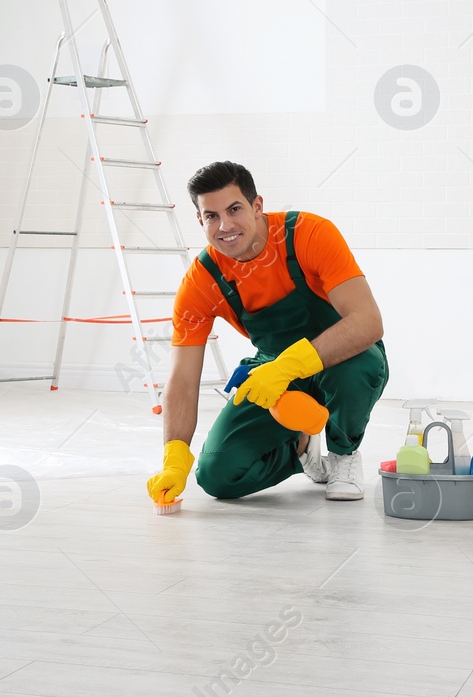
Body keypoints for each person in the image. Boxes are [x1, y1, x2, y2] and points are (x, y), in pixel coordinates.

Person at [146, 161, 388, 504]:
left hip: (340, 360)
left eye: (234, 209)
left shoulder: (308, 233)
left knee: (357, 368)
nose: (225, 225)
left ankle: (343, 456)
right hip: (273, 373)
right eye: (211, 216)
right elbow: (182, 379)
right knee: (218, 476)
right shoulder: (201, 282)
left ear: (257, 206)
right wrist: (174, 456)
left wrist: (286, 367)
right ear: (200, 221)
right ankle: (302, 445)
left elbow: (367, 322)